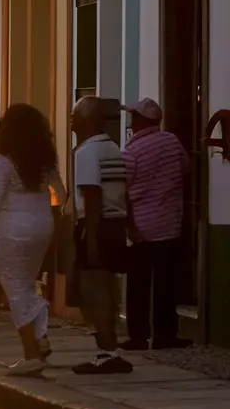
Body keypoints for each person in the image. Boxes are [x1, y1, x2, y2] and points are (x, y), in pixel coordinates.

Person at [0, 104, 67, 377]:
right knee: (26, 282)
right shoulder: (45, 160)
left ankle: (31, 354)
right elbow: (61, 194)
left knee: (14, 287)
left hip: (12, 227)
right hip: (42, 224)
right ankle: (40, 338)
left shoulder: (3, 161)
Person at [121, 98, 192, 350]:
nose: (130, 121)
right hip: (169, 223)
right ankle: (165, 335)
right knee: (166, 283)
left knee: (138, 284)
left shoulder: (131, 151)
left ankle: (138, 335)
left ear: (141, 120)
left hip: (141, 225)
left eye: (133, 116)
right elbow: (185, 167)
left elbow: (123, 189)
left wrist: (128, 224)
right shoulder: (171, 142)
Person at [70, 96, 133, 375]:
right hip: (115, 223)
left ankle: (107, 352)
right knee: (104, 288)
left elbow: (92, 194)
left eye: (76, 114)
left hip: (96, 224)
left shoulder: (86, 152)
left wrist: (90, 237)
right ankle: (109, 349)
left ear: (91, 119)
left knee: (93, 290)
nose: (71, 119)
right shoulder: (113, 148)